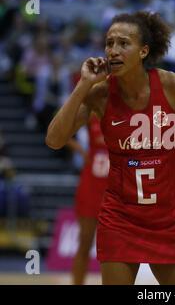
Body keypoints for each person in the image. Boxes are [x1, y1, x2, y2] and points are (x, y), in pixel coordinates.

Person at [45, 11, 175, 285]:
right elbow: (54, 140)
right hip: (119, 220)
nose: (113, 50)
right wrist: (83, 86)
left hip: (166, 219)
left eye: (123, 43)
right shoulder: (100, 93)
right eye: (109, 43)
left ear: (143, 51)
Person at [67, 114, 109, 285]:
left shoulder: (126, 113)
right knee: (85, 241)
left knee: (113, 249)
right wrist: (82, 151)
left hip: (114, 187)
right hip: (91, 186)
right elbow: (62, 133)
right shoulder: (91, 114)